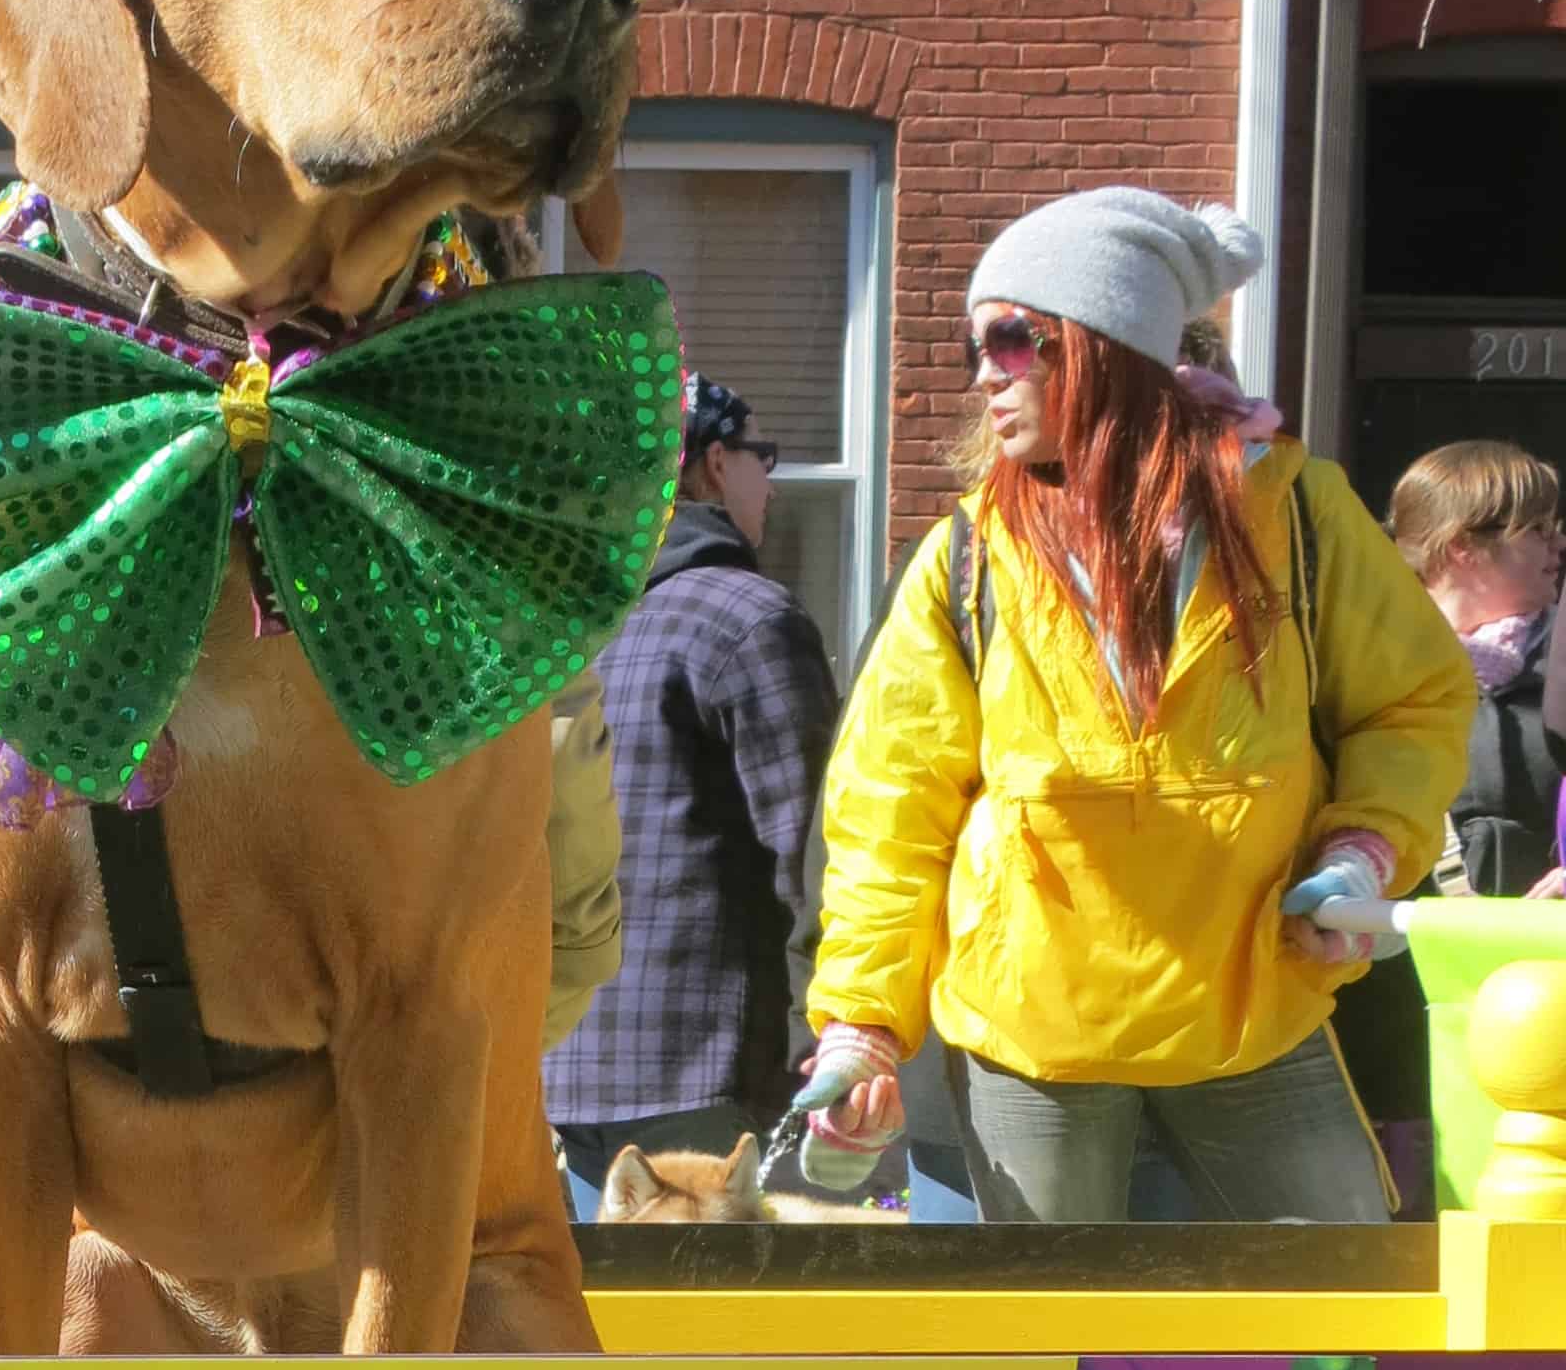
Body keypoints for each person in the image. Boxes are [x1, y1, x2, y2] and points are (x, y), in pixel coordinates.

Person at [797, 190, 1472, 1224]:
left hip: (1253, 1005)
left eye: (1014, 339)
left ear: (1104, 347)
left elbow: (1414, 699)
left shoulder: (1298, 517)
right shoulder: (967, 557)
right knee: (1050, 1355)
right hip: (1033, 1033)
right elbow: (890, 811)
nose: (983, 371)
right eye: (978, 342)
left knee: (1349, 1313)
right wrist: (860, 1027)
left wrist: (1366, 851)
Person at [545, 375, 838, 1218]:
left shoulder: (570, 630)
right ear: (714, 462)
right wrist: (842, 1027)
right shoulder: (749, 617)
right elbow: (815, 846)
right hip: (709, 1071)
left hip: (564, 1061)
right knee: (736, 1341)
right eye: (761, 457)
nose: (770, 483)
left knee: (607, 1338)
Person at [1389, 442, 1566, 892]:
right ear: (1463, 546)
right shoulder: (1376, 669)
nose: (1560, 543)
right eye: (1539, 530)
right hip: (1408, 943)